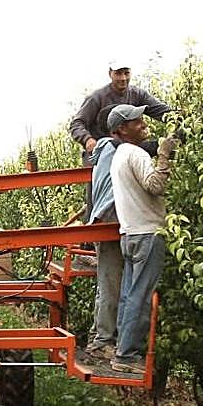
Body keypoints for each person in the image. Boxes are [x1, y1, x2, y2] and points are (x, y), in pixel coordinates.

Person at [105, 104, 178, 377]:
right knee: (140, 296)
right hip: (148, 233)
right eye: (135, 120)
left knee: (128, 294)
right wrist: (164, 156)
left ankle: (121, 350)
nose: (142, 122)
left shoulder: (120, 155)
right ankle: (127, 356)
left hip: (130, 233)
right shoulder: (134, 153)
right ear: (121, 130)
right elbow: (155, 186)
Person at [69, 62, 171, 216]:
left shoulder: (137, 94)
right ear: (110, 73)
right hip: (102, 153)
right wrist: (87, 139)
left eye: (126, 73)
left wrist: (186, 121)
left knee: (136, 187)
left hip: (126, 148)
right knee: (99, 196)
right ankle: (93, 229)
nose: (123, 78)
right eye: (118, 73)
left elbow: (163, 112)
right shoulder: (97, 98)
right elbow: (77, 123)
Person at [79, 133, 121, 363]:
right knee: (110, 285)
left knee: (106, 283)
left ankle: (97, 336)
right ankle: (102, 341)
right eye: (138, 123)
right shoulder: (117, 150)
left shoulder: (102, 152)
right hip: (108, 222)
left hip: (102, 221)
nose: (144, 127)